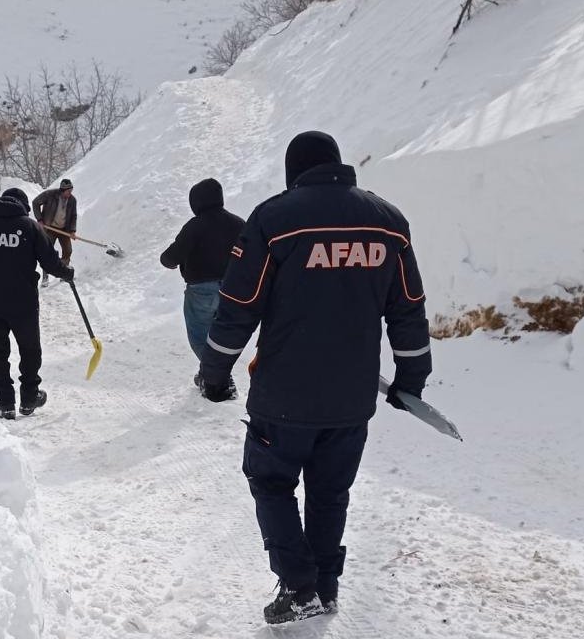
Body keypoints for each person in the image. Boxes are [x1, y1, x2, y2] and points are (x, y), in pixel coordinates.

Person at [197, 131, 432, 625]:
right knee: (330, 492)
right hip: (351, 398)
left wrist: (214, 373)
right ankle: (325, 585)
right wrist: (412, 376)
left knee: (271, 480)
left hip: (284, 395)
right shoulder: (388, 223)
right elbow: (407, 309)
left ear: (294, 170)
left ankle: (299, 585)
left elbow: (238, 308)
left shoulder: (275, 219)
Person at [0, 187, 75, 419]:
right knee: (30, 349)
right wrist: (67, 272)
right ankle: (30, 397)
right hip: (23, 303)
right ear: (23, 206)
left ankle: (5, 404)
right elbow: (50, 261)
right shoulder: (29, 227)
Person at [159, 178, 244, 385]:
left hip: (202, 291)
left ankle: (217, 376)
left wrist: (168, 262)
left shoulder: (195, 226)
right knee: (224, 334)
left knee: (199, 336)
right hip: (233, 288)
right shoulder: (238, 223)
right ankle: (213, 372)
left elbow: (171, 256)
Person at [32, 178, 78, 284]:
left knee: (68, 251)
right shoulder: (50, 195)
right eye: (68, 191)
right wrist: (40, 219)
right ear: (62, 190)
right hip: (49, 228)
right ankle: (45, 277)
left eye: (71, 190)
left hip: (64, 229)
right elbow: (35, 203)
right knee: (47, 252)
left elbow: (73, 216)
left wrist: (72, 230)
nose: (70, 193)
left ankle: (64, 273)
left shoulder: (72, 200)